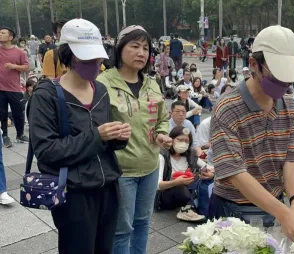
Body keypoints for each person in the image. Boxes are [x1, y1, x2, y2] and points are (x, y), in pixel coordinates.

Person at [29, 18, 131, 253]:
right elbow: (46, 151)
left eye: (98, 58)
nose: (96, 64)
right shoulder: (46, 95)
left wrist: (117, 136)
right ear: (68, 55)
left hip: (108, 187)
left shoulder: (101, 90)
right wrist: (97, 136)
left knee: (105, 248)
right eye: (87, 58)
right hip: (73, 194)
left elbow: (104, 142)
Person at [209, 25, 294, 241]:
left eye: (288, 76)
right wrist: (284, 213)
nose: (284, 83)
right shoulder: (228, 107)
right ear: (253, 64)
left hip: (275, 205)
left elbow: (292, 159)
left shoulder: (290, 107)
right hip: (232, 208)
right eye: (276, 74)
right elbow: (235, 173)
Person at [96, 25, 172, 253]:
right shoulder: (103, 82)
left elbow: (162, 117)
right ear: (120, 48)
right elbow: (94, 124)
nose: (141, 53)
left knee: (142, 223)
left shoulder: (151, 83)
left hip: (150, 166)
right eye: (135, 46)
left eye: (146, 48)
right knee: (121, 229)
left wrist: (162, 133)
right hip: (121, 170)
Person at [156, 126, 208, 222]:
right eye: (180, 140)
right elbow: (158, 185)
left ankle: (189, 208)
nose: (183, 143)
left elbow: (206, 167)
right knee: (179, 185)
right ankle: (189, 209)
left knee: (204, 180)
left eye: (186, 141)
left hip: (185, 194)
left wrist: (207, 173)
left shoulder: (190, 155)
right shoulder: (162, 156)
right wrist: (175, 182)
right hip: (165, 197)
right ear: (171, 139)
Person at [0, 27, 30, 148]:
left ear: (10, 37)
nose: (0, 34)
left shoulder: (19, 52)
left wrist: (14, 66)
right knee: (2, 114)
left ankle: (20, 134)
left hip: (14, 88)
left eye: (2, 33)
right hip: (0, 89)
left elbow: (27, 67)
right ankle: (5, 136)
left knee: (18, 113)